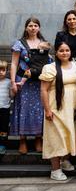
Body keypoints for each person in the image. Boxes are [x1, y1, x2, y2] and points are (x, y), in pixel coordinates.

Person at [39, 41, 76, 181]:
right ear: (56, 53)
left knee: (71, 133)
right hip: (56, 107)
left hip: (74, 107)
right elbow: (43, 90)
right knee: (56, 136)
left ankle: (64, 160)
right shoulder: (50, 68)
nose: (65, 53)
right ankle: (55, 169)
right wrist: (47, 109)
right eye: (61, 50)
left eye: (67, 50)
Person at [10, 18, 50, 154]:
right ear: (26, 28)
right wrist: (12, 82)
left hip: (39, 81)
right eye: (30, 25)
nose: (33, 28)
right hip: (23, 81)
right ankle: (22, 140)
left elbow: (48, 62)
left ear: (39, 27)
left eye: (35, 25)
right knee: (23, 109)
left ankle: (38, 139)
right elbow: (14, 63)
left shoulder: (43, 44)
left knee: (39, 110)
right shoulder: (19, 44)